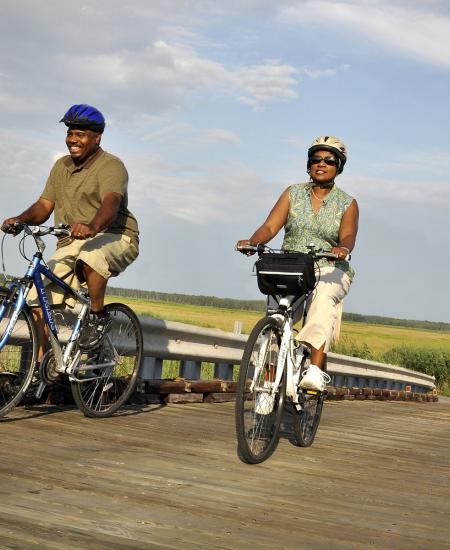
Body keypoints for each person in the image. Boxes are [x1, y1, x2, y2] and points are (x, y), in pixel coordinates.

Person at [2, 104, 139, 357]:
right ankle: (41, 375)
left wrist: (92, 226)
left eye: (80, 134)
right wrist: (19, 220)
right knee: (36, 301)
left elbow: (112, 202)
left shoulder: (111, 166)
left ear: (97, 138)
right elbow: (44, 206)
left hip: (115, 236)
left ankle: (98, 316)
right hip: (70, 241)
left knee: (91, 256)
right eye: (70, 134)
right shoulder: (61, 166)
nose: (73, 140)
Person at [236, 135, 359, 391]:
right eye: (316, 159)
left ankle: (314, 369)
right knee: (275, 319)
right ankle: (267, 387)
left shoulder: (347, 202)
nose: (321, 164)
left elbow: (348, 235)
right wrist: (253, 241)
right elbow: (270, 226)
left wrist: (343, 248)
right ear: (309, 164)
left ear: (339, 166)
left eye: (329, 160)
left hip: (329, 266)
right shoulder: (292, 193)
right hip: (291, 264)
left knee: (322, 299)